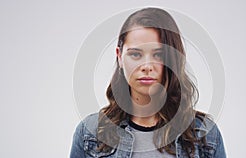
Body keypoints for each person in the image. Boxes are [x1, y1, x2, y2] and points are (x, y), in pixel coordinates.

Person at [70, 7, 226, 158]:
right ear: (119, 56)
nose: (146, 66)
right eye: (136, 54)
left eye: (158, 54)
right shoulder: (89, 134)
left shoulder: (205, 135)